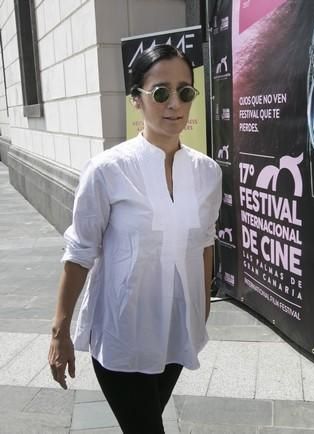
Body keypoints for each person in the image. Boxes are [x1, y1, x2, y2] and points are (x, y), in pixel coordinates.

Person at [48, 44, 222, 433]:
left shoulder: (208, 172)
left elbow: (205, 243)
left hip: (176, 333)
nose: (174, 103)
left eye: (185, 91)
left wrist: (202, 308)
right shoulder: (108, 170)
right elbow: (79, 252)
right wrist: (59, 332)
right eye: (161, 92)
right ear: (136, 101)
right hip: (121, 336)